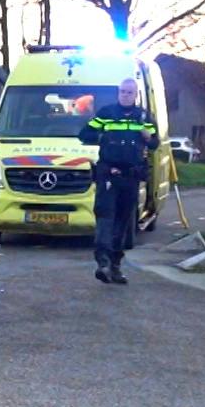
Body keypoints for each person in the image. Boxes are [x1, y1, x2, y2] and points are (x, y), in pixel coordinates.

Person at [78, 77, 158, 284]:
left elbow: (155, 144)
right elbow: (84, 134)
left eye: (129, 92)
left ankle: (115, 266)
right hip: (108, 174)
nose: (125, 95)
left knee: (122, 223)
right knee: (105, 218)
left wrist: (148, 137)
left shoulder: (144, 117)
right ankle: (103, 262)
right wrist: (103, 138)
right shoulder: (106, 113)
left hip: (130, 177)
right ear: (118, 93)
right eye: (122, 91)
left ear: (136, 94)